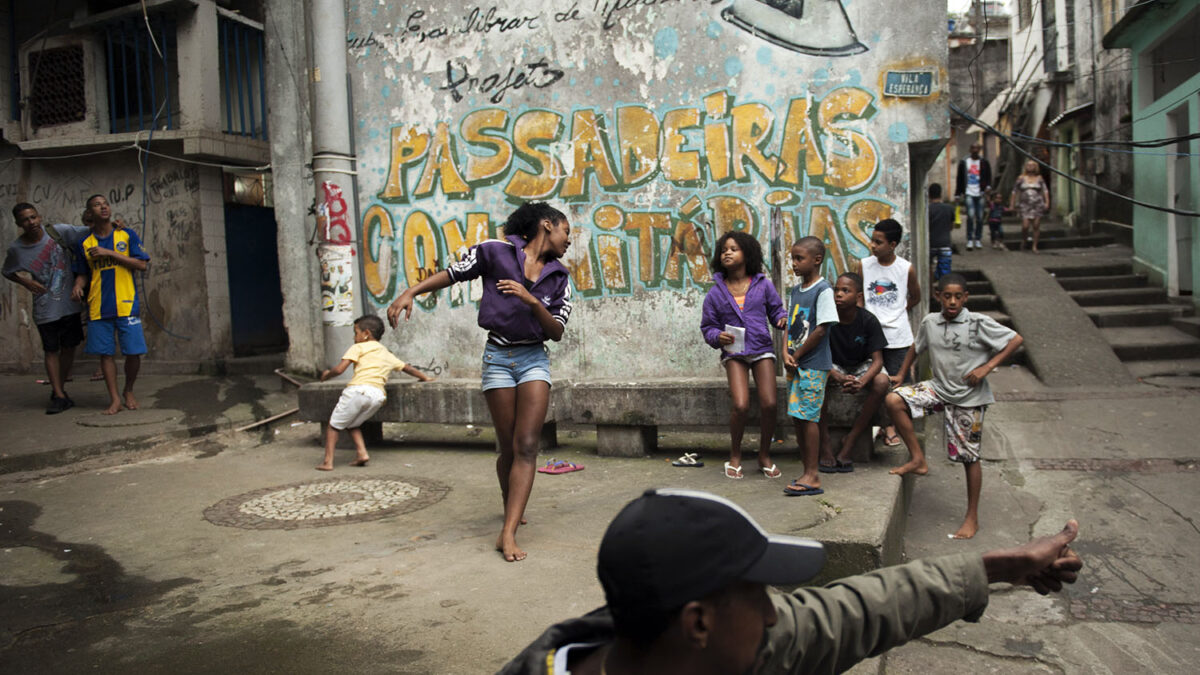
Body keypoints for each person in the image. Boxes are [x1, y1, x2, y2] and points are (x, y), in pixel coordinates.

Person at [500, 488, 1083, 675]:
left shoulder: (718, 651)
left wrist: (995, 569)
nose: (778, 613)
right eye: (758, 595)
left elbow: (854, 610)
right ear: (698, 621)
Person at [387, 201, 572, 563]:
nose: (569, 240)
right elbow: (453, 273)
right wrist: (411, 292)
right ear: (547, 225)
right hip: (498, 360)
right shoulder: (495, 252)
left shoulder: (560, 277)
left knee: (527, 444)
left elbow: (557, 331)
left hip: (534, 358)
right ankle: (511, 514)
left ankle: (508, 532)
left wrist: (533, 302)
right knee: (507, 447)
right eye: (567, 231)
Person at [885, 273, 1025, 539]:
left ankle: (972, 517)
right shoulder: (930, 322)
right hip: (938, 389)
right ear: (938, 296)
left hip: (969, 399)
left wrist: (987, 366)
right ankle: (918, 459)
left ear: (965, 298)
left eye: (957, 296)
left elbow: (1015, 340)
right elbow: (917, 346)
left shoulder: (976, 323)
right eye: (946, 296)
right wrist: (902, 373)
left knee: (968, 457)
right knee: (894, 399)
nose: (952, 301)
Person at [700, 231, 787, 480]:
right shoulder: (716, 292)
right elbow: (707, 327)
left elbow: (776, 312)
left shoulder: (762, 284)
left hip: (761, 348)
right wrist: (718, 337)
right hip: (735, 353)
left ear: (747, 254)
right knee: (740, 405)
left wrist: (782, 320)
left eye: (734, 248)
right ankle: (735, 455)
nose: (727, 252)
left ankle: (764, 456)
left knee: (770, 403)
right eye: (724, 249)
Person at [3, 203, 92, 413]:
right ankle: (60, 396)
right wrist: (26, 282)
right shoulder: (17, 249)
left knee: (69, 346)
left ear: (39, 217)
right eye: (25, 219)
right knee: (51, 350)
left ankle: (58, 389)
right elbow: (7, 271)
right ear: (18, 223)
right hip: (45, 308)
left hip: (70, 304)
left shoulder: (58, 232)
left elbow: (91, 232)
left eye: (33, 217)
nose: (31, 222)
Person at [316, 314, 432, 471]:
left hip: (357, 391)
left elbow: (339, 369)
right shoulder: (385, 352)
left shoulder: (358, 347)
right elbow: (407, 368)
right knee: (352, 423)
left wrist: (326, 375)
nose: (354, 337)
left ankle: (327, 462)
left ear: (366, 334)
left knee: (333, 426)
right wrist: (425, 377)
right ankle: (362, 454)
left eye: (356, 332)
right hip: (377, 396)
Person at [70, 195, 150, 415]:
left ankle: (129, 390)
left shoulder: (126, 234)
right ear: (89, 213)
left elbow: (141, 264)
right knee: (105, 355)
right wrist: (77, 286)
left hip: (126, 303)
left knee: (133, 353)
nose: (103, 206)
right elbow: (82, 274)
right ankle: (114, 399)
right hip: (98, 306)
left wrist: (110, 253)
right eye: (97, 204)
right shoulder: (84, 243)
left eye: (105, 203)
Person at [852, 218, 919, 447]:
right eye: (872, 240)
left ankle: (893, 428)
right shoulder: (864, 265)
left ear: (892, 244)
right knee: (874, 382)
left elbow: (915, 295)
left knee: (900, 386)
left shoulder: (905, 268)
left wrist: (899, 311)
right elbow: (858, 296)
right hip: (871, 336)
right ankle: (881, 427)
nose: (873, 245)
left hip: (899, 336)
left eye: (878, 242)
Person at [782, 237, 836, 497]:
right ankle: (806, 468)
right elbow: (789, 323)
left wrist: (798, 354)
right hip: (796, 364)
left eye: (799, 258)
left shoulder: (823, 290)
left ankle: (813, 474)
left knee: (809, 416)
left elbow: (821, 329)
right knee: (797, 416)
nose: (794, 263)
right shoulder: (795, 291)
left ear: (816, 260)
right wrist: (785, 351)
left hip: (813, 364)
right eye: (792, 258)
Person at [818, 273, 888, 473]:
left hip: (860, 367)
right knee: (816, 378)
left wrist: (862, 381)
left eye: (845, 291)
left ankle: (851, 440)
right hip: (833, 366)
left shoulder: (868, 320)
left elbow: (878, 361)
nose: (838, 294)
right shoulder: (826, 319)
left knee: (882, 382)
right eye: (836, 290)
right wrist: (837, 376)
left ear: (858, 296)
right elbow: (819, 356)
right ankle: (825, 443)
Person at [954, 143, 992, 250]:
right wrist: (957, 193)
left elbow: (988, 176)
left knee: (980, 217)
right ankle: (970, 239)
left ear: (979, 150)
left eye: (977, 148)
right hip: (968, 192)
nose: (975, 150)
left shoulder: (984, 162)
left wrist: (988, 186)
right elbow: (959, 179)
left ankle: (978, 239)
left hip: (980, 193)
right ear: (970, 149)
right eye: (973, 148)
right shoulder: (964, 162)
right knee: (970, 215)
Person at [1011, 159, 1050, 253]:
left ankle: (1034, 246)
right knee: (1025, 226)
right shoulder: (1021, 178)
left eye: (1032, 165)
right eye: (1028, 165)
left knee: (1036, 225)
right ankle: (1024, 240)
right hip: (1025, 204)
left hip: (1037, 204)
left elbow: (1045, 191)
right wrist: (1012, 204)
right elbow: (1014, 191)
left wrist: (1047, 202)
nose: (1030, 167)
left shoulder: (1039, 178)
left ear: (1036, 167)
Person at [927, 183, 955, 281]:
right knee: (945, 273)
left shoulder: (927, 209)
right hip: (945, 244)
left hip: (930, 244)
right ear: (941, 194)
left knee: (928, 269)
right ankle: (944, 292)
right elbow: (951, 226)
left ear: (929, 194)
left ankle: (931, 292)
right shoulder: (949, 208)